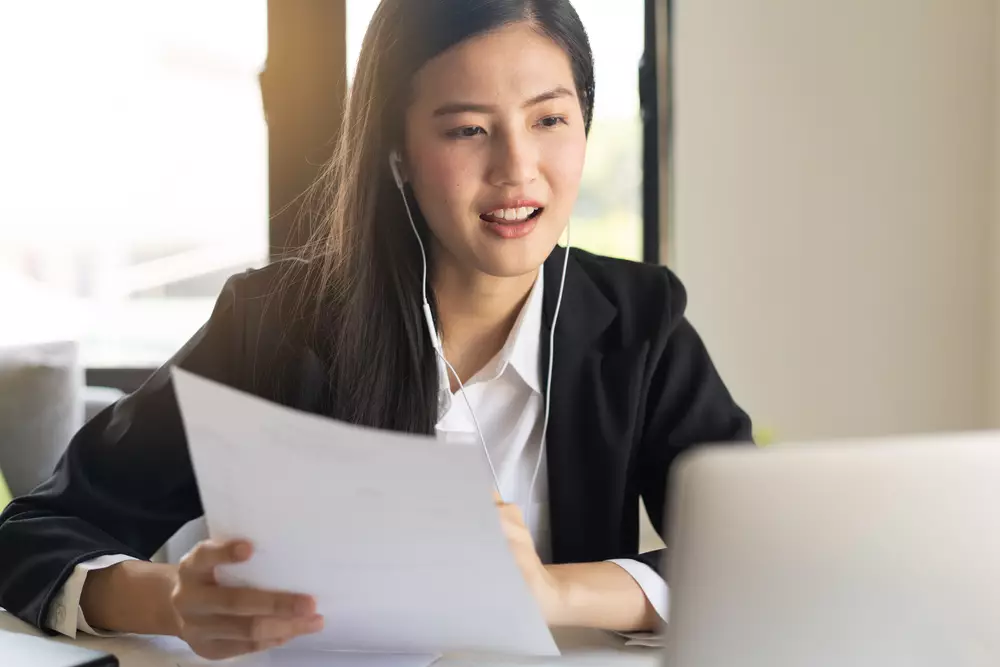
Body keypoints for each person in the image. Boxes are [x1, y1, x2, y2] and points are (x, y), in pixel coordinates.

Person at [0, 0, 751, 660]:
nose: (517, 168)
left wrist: (552, 592)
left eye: (549, 118)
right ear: (397, 151)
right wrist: (170, 600)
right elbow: (33, 532)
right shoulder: (275, 322)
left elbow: (750, 548)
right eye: (466, 129)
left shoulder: (640, 319)